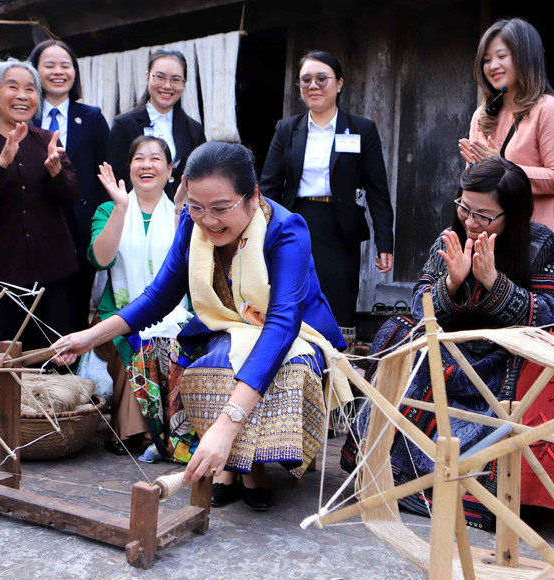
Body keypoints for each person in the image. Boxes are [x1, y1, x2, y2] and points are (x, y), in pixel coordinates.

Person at [53, 142, 351, 511]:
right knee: (214, 363)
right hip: (228, 327)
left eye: (221, 208)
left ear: (252, 197)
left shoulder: (286, 229)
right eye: (196, 206)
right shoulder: (190, 224)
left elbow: (281, 324)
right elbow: (159, 297)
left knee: (283, 368)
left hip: (297, 332)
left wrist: (227, 426)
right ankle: (242, 468)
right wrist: (89, 336)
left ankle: (238, 461)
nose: (208, 220)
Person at [342, 158, 554, 515]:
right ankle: (384, 470)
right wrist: (453, 282)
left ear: (512, 213)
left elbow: (548, 314)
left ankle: (466, 490)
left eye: (484, 215)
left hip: (502, 357)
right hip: (449, 351)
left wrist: (494, 282)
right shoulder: (451, 238)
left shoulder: (540, 244)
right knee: (398, 331)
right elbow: (421, 305)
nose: (471, 221)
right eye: (464, 208)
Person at [259, 50, 394, 347]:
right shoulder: (286, 129)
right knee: (293, 299)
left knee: (338, 303)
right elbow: (268, 186)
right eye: (305, 80)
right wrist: (263, 230)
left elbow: (377, 190)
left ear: (339, 83)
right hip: (296, 224)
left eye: (322, 79)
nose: (313, 86)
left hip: (341, 228)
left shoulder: (362, 129)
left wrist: (385, 240)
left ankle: (336, 380)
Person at [0, 58, 79, 352]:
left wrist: (55, 171)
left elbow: (72, 194)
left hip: (54, 275)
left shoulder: (48, 141)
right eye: (12, 87)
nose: (23, 95)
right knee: (2, 360)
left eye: (31, 89)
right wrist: (1, 163)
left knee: (54, 357)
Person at [459, 18, 554, 320]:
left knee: (538, 312)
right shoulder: (482, 115)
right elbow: (476, 181)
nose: (492, 65)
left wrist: (503, 166)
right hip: (492, 227)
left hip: (539, 227)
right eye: (486, 59)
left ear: (524, 56)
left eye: (501, 56)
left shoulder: (549, 110)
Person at [89, 135, 196, 459]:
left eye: (155, 158)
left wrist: (181, 211)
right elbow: (100, 260)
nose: (146, 164)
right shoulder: (108, 208)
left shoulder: (184, 212)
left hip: (173, 313)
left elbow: (190, 265)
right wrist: (122, 208)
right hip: (118, 309)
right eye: (139, 158)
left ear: (170, 169)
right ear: (130, 167)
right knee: (132, 337)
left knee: (169, 341)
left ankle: (152, 433)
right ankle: (140, 433)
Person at [28, 39, 110, 330]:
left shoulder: (92, 117)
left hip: (78, 230)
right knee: (31, 312)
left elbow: (104, 173)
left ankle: (66, 373)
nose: (58, 71)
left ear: (75, 72)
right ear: (35, 72)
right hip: (33, 228)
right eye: (49, 65)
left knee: (71, 313)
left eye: (66, 65)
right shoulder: (25, 116)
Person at [106, 48, 206, 199]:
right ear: (147, 77)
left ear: (184, 83)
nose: (167, 85)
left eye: (176, 79)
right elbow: (115, 177)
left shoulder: (193, 129)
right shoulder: (125, 125)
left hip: (181, 216)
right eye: (160, 77)